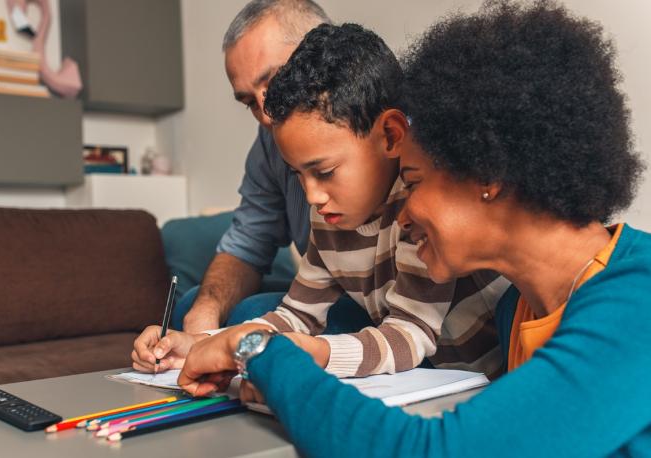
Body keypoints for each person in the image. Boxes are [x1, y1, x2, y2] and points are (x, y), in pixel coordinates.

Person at [177, 2, 651, 456]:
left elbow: (427, 451)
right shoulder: (519, 309)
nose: (401, 215)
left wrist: (256, 347)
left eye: (413, 180)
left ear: (488, 174)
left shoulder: (637, 301)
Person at [133, 23, 509, 380]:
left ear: (391, 136)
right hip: (420, 379)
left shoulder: (417, 207)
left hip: (477, 380)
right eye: (298, 174)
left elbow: (410, 335)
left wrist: (317, 352)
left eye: (325, 172)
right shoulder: (330, 219)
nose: (311, 196)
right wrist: (205, 344)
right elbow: (297, 313)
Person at [168, 0, 380, 335]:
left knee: (248, 316)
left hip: (389, 310)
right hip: (320, 296)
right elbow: (248, 243)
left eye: (277, 80)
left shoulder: (384, 124)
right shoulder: (269, 146)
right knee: (193, 305)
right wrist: (203, 322)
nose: (267, 115)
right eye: (250, 101)